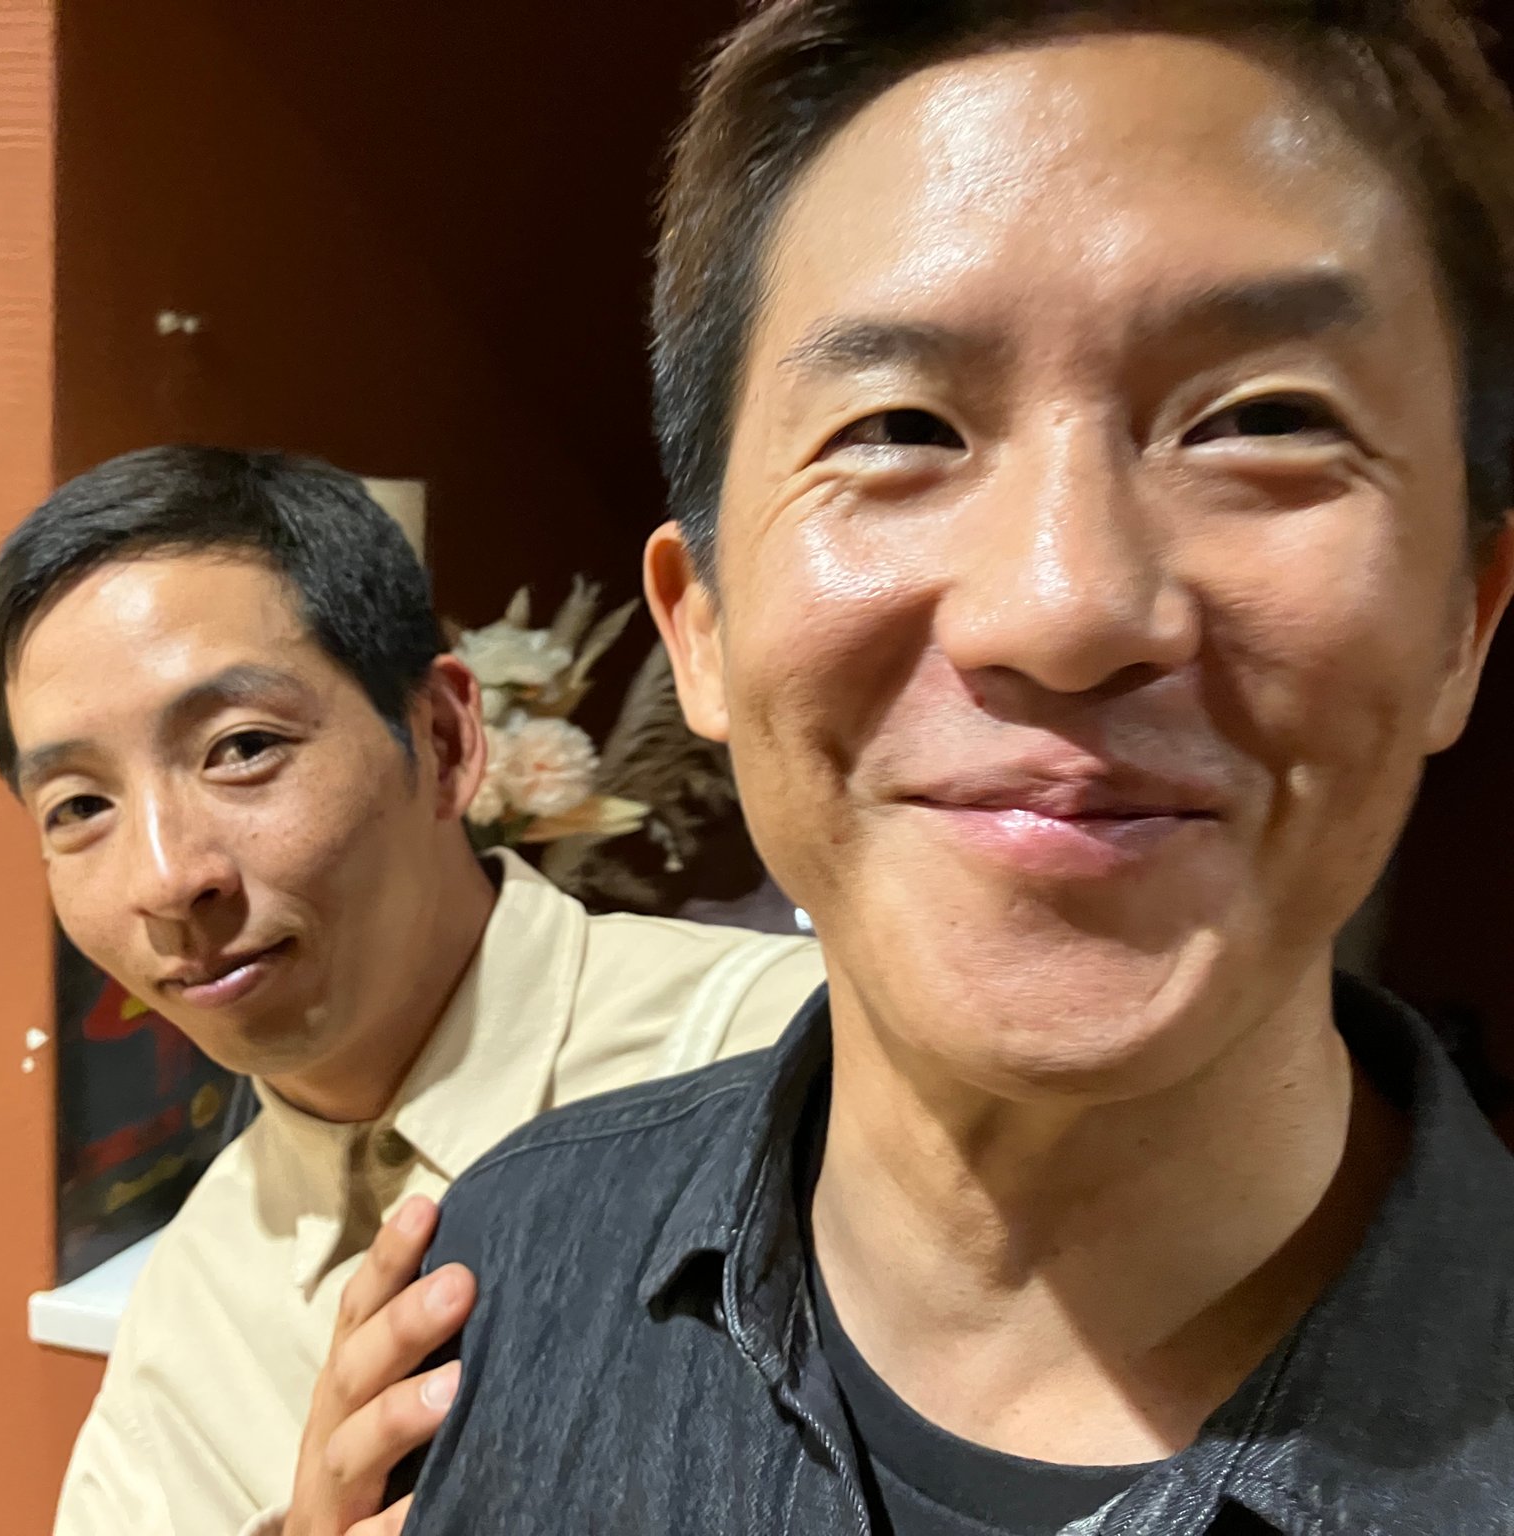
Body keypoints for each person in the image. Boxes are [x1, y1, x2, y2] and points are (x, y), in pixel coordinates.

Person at [356, 4, 1514, 1532]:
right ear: (700, 627)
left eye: (1263, 420)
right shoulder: (498, 1276)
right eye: (900, 427)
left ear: (1461, 620)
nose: (1066, 606)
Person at [0, 445, 822, 1536]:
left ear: (445, 739)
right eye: (79, 807)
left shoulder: (792, 1059)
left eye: (241, 747)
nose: (165, 878)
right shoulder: (189, 1309)